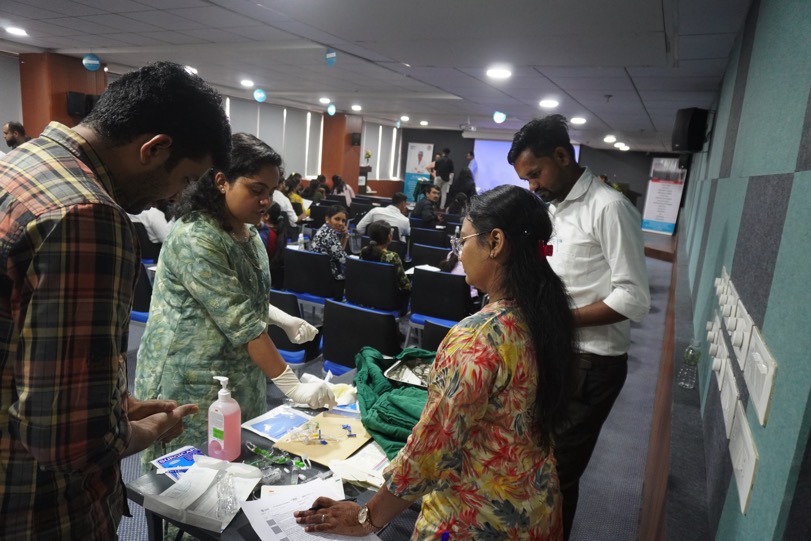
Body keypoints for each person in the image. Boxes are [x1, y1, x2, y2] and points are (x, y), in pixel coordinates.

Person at [0, 61, 230, 540]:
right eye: (186, 179)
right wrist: (152, 429)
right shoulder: (87, 216)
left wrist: (108, 405)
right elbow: (71, 442)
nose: (176, 197)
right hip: (36, 507)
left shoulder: (19, 166)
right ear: (155, 148)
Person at [294, 185, 577, 539]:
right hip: (536, 507)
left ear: (495, 242)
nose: (457, 251)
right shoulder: (546, 316)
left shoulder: (478, 337)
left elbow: (429, 453)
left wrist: (367, 517)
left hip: (476, 520)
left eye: (463, 240)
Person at [135, 133, 335, 473]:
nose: (266, 201)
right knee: (191, 478)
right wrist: (293, 388)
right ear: (221, 182)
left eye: (271, 192)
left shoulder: (248, 232)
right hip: (192, 377)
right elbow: (239, 319)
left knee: (241, 467)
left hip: (241, 373)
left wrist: (284, 319)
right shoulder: (196, 237)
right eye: (256, 190)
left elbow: (242, 297)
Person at [507, 114, 651, 539]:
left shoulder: (609, 208)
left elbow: (633, 298)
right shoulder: (554, 209)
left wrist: (559, 319)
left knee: (557, 475)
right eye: (525, 179)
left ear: (562, 155)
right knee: (539, 463)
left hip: (592, 364)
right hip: (557, 353)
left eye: (535, 174)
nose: (532, 186)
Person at [359, 220, 411, 311]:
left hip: (365, 296)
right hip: (387, 301)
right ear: (389, 237)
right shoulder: (392, 256)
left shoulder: (364, 251)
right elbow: (404, 284)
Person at [311, 204, 350, 294]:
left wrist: (345, 236)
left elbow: (339, 251)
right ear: (327, 218)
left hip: (319, 275)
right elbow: (343, 260)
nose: (341, 223)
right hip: (331, 278)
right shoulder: (330, 234)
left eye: (343, 221)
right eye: (337, 219)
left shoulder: (323, 229)